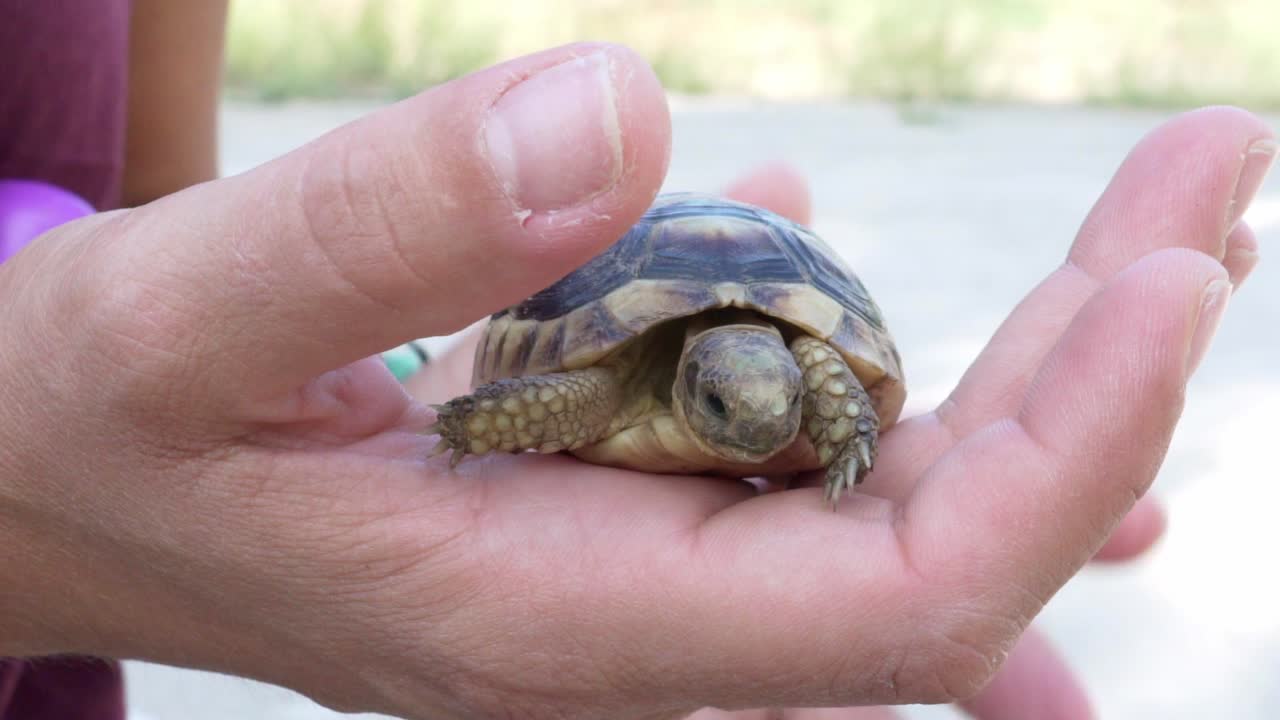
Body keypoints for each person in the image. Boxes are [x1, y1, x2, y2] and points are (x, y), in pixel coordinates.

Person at [0, 2, 1271, 719]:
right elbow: (542, 393)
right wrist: (448, 423)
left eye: (770, 394)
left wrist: (342, 378)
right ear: (684, 380)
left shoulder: (786, 378)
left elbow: (163, 191)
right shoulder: (608, 376)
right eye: (724, 399)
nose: (744, 421)